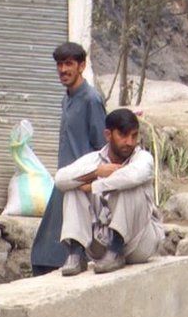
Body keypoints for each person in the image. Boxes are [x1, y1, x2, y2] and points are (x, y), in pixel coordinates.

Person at [55, 108, 164, 276]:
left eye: (134, 136)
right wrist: (96, 172)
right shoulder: (95, 160)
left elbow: (133, 176)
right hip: (101, 245)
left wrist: (95, 186)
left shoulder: (143, 158)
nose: (129, 142)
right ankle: (76, 253)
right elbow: (60, 180)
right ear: (108, 135)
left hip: (139, 242)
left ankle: (116, 250)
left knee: (128, 185)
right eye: (123, 135)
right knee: (73, 188)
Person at [31, 42, 107, 276]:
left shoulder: (91, 99)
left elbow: (102, 148)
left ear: (81, 66)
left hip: (80, 183)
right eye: (60, 64)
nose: (63, 70)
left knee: (56, 247)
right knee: (46, 248)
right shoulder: (67, 99)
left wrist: (91, 182)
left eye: (69, 64)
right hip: (64, 180)